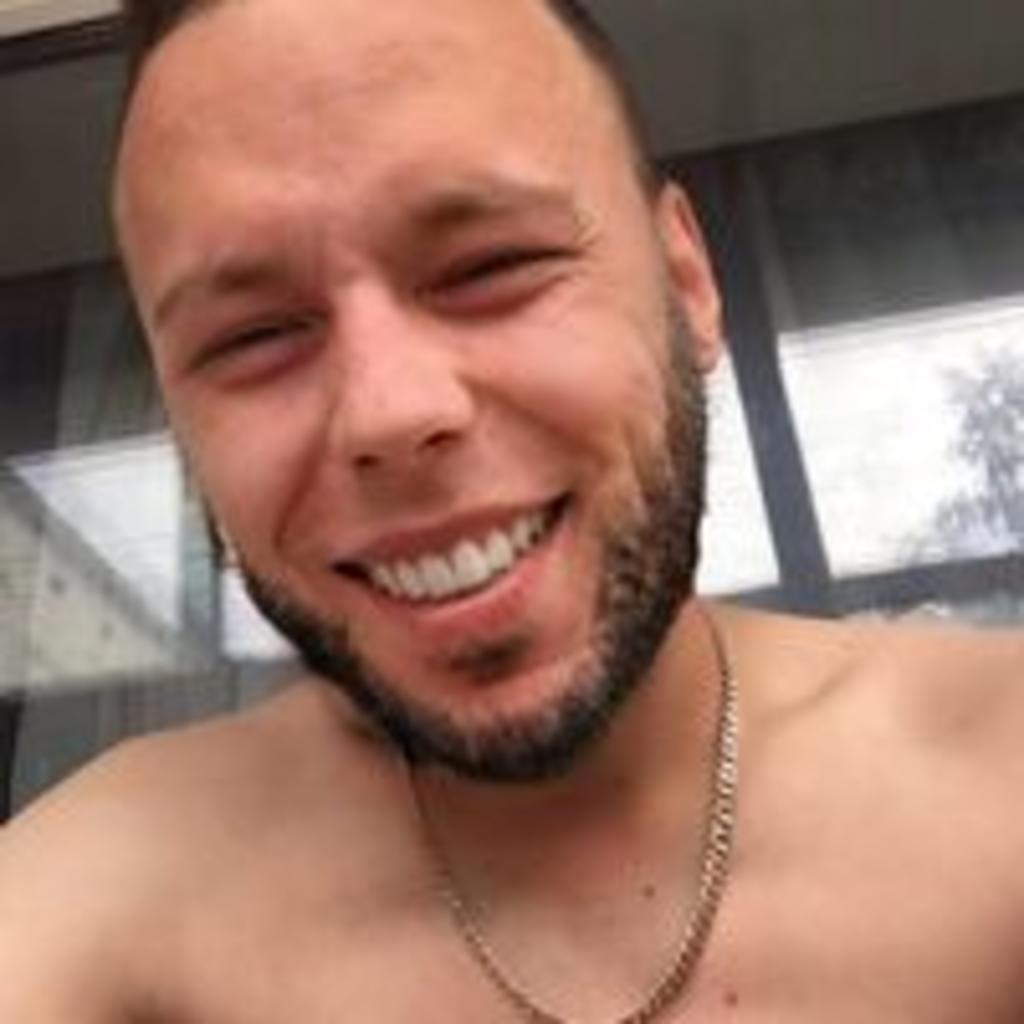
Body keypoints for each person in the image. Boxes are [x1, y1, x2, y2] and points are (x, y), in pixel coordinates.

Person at [2, 0, 1023, 1019]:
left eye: (491, 266)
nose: (391, 411)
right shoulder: (113, 894)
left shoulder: (992, 783)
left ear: (686, 283)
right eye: (252, 337)